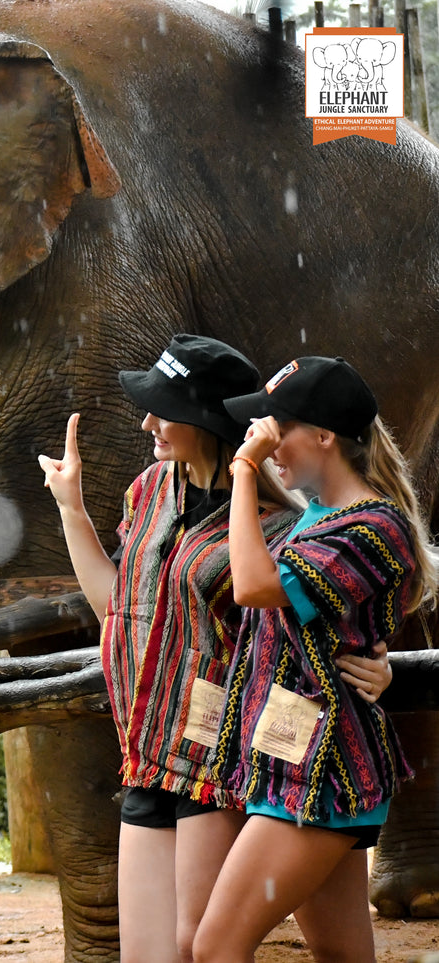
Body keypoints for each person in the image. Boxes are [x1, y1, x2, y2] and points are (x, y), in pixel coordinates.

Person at [38, 335, 391, 963]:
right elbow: (118, 610)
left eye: (161, 408)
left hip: (222, 757)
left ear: (202, 418)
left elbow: (301, 614)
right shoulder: (149, 490)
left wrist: (375, 659)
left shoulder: (278, 522)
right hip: (148, 746)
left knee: (206, 945)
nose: (146, 421)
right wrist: (72, 511)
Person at [193, 357, 436, 963]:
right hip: (294, 770)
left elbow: (253, 586)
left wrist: (244, 468)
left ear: (324, 437)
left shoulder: (376, 527)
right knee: (341, 954)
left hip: (324, 775)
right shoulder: (316, 517)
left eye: (277, 429)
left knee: (215, 946)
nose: (265, 442)